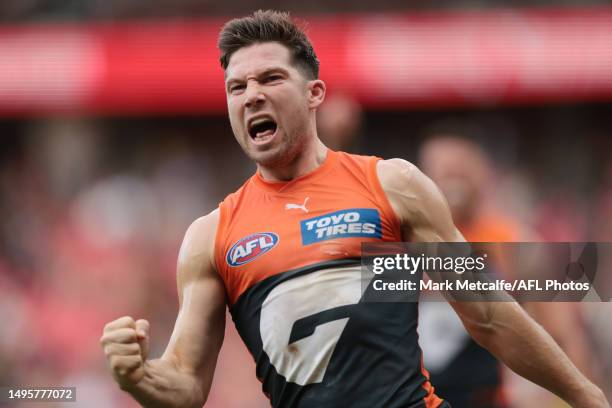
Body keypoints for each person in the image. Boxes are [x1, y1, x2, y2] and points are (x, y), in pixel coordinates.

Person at [99, 10, 608, 408]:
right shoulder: (211, 236)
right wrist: (139, 377)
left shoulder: (397, 186)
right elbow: (186, 385)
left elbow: (492, 315)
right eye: (238, 87)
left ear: (314, 92)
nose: (251, 96)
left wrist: (585, 394)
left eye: (270, 79)